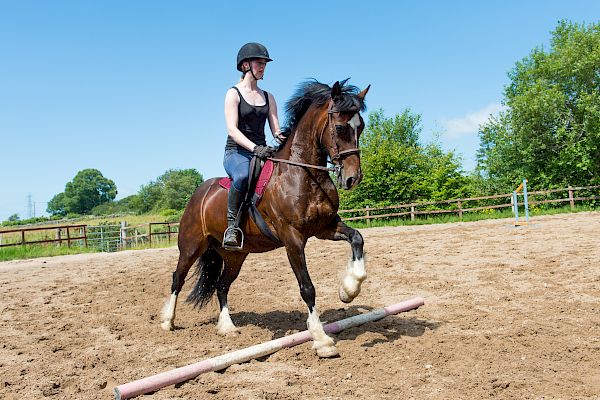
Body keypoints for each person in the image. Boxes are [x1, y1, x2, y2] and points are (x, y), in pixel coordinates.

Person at [222, 42, 284, 249]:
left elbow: (276, 130)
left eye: (265, 64)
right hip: (237, 152)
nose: (263, 67)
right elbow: (232, 130)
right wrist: (255, 148)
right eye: (259, 63)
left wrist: (285, 139)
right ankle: (232, 227)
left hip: (262, 152)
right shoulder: (233, 93)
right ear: (245, 65)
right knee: (242, 176)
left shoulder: (268, 96)